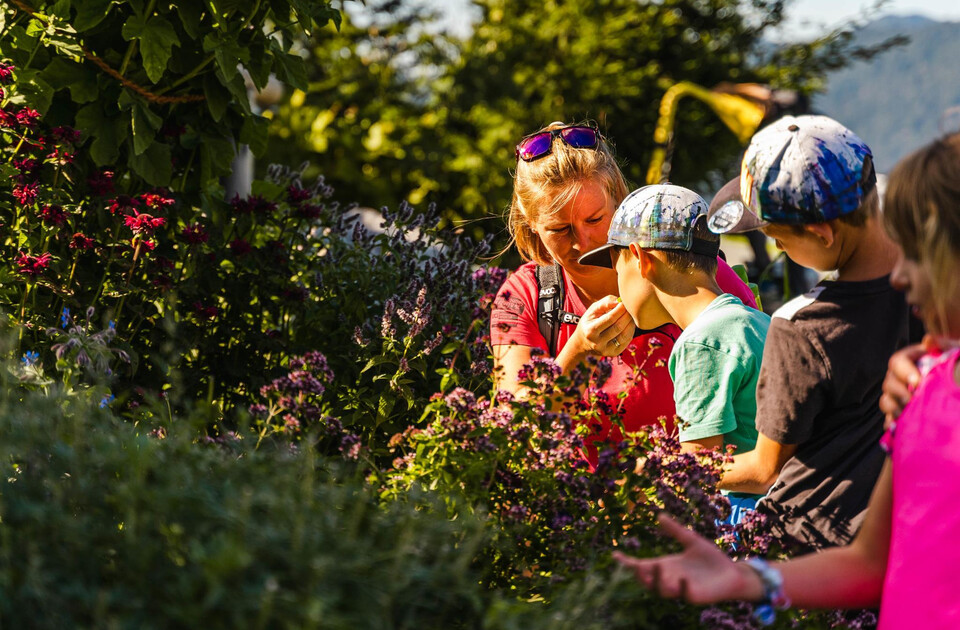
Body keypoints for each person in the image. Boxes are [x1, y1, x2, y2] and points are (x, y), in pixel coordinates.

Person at [613, 130, 960, 630]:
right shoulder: (924, 387)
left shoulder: (796, 327)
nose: (899, 278)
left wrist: (660, 470)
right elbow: (869, 562)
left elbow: (764, 467)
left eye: (916, 253)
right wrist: (747, 580)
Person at [703, 115, 923, 552]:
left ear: (821, 232)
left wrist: (673, 469)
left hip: (805, 538)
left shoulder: (801, 327)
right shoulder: (932, 285)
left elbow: (765, 470)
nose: (778, 248)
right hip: (895, 528)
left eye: (777, 237)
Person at [490, 122, 758, 464]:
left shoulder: (690, 268)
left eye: (594, 219)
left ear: (618, 198)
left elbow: (761, 384)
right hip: (576, 497)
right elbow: (512, 428)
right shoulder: (524, 295)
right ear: (530, 222)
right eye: (559, 229)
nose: (582, 242)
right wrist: (578, 352)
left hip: (689, 490)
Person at [578, 184, 771, 522]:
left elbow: (697, 467)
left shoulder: (700, 342)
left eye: (617, 270)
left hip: (746, 521)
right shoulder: (754, 321)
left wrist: (643, 474)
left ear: (640, 260)